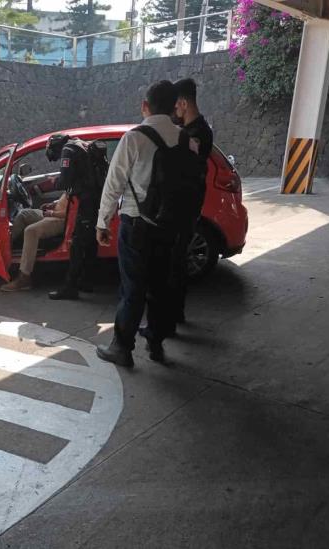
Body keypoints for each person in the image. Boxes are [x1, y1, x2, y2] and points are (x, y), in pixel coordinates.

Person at [94, 80, 183, 366]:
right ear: (174, 107)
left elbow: (114, 184)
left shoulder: (134, 138)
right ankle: (155, 342)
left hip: (137, 224)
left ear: (145, 105)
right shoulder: (186, 139)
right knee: (160, 285)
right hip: (170, 225)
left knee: (133, 288)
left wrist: (102, 222)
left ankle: (122, 348)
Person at [168, 78, 214, 326]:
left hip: (183, 207)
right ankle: (174, 314)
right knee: (175, 263)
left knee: (175, 264)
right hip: (185, 205)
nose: (174, 112)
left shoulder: (197, 133)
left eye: (175, 106)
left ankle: (171, 317)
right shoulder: (192, 131)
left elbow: (181, 168)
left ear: (183, 103)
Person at [45, 133, 103, 300]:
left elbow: (64, 182)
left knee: (77, 244)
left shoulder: (68, 150)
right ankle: (87, 282)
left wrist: (53, 181)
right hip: (96, 199)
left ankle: (70, 288)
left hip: (87, 201)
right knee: (90, 242)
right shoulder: (81, 144)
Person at [0, 193, 69, 291]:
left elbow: (71, 211)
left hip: (61, 219)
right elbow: (65, 200)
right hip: (54, 212)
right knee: (23, 214)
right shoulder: (71, 184)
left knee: (30, 231)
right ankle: (6, 247)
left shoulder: (79, 185)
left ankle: (25, 277)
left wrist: (52, 213)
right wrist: (53, 203)